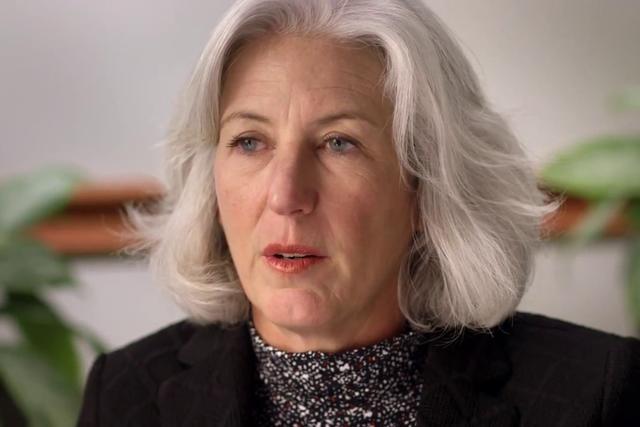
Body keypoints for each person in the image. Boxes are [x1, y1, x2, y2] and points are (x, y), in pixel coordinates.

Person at [77, 0, 640, 425]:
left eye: (338, 143)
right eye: (249, 141)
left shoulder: (596, 392)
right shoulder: (126, 394)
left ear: (427, 185)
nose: (286, 194)